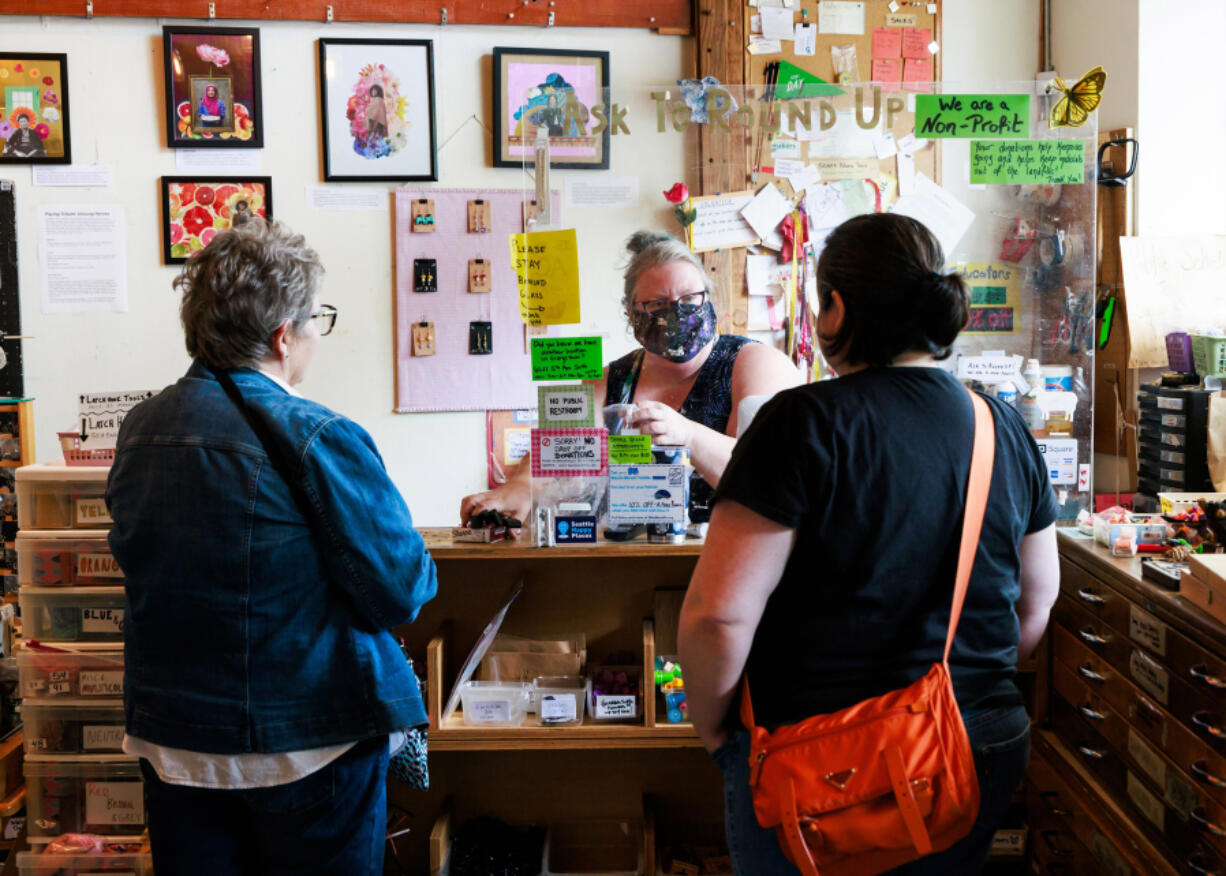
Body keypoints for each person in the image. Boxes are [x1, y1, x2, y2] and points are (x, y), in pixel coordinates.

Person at [678, 213, 1061, 875]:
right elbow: (1035, 606)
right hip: (972, 746)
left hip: (821, 764)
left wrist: (714, 729)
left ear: (837, 308)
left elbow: (719, 617)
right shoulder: (1001, 426)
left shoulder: (799, 424)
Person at [106, 220, 437, 876]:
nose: (318, 336)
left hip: (176, 745)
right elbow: (402, 590)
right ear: (285, 334)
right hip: (303, 744)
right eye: (318, 321)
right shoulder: (317, 434)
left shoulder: (141, 430)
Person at [460, 230, 801, 526]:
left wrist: (688, 436)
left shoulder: (754, 363)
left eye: (689, 299)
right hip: (627, 557)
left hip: (731, 560)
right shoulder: (608, 379)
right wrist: (519, 489)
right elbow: (553, 450)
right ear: (632, 313)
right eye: (658, 304)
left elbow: (768, 478)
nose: (676, 311)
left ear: (708, 299)